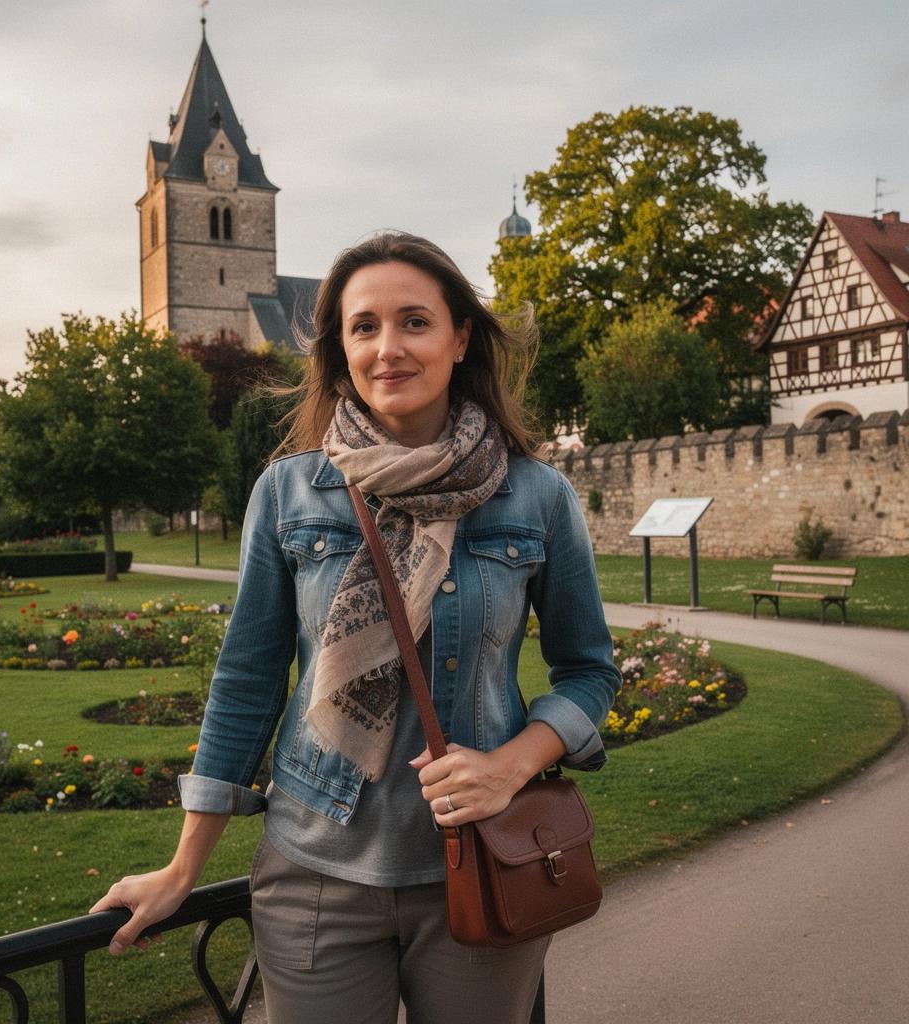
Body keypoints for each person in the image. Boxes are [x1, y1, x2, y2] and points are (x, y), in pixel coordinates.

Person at [91, 231, 621, 1023]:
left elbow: (589, 670)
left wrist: (509, 767)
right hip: (313, 875)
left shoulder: (536, 496)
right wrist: (182, 868)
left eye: (415, 322)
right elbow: (246, 683)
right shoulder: (289, 494)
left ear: (460, 337)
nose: (388, 348)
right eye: (364, 326)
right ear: (340, 349)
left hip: (481, 861)